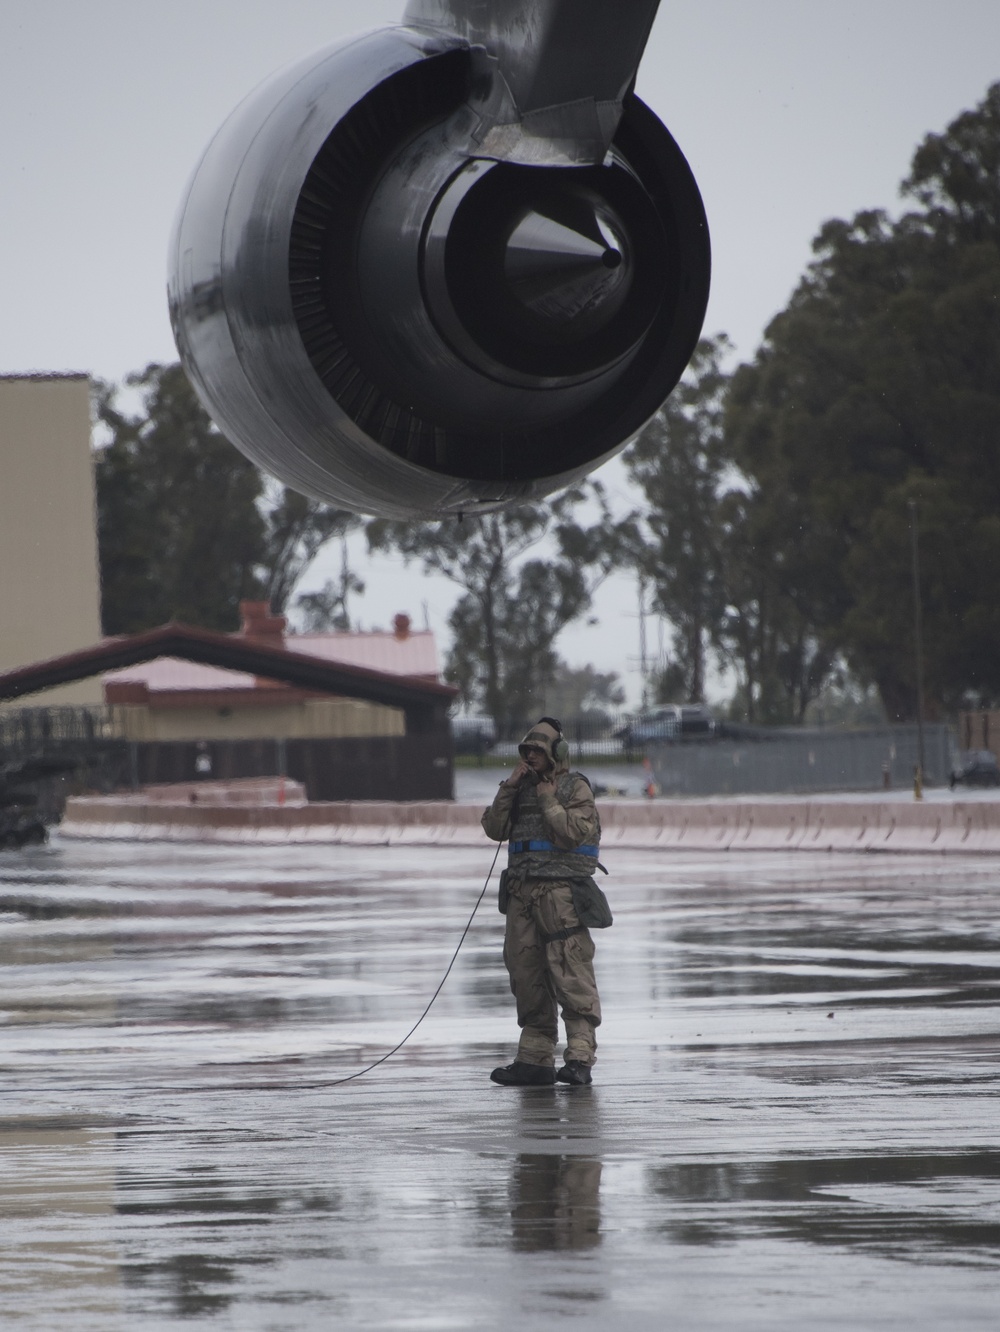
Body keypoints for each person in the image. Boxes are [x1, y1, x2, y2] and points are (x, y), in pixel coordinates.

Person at [482, 717, 605, 1087]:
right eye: (526, 751)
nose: (531, 757)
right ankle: (534, 1059)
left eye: (538, 751)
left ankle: (580, 1057)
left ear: (555, 754)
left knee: (571, 974)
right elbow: (494, 829)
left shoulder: (574, 787)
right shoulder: (519, 789)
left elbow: (573, 833)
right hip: (521, 892)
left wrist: (548, 798)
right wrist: (510, 788)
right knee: (526, 973)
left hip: (561, 894)